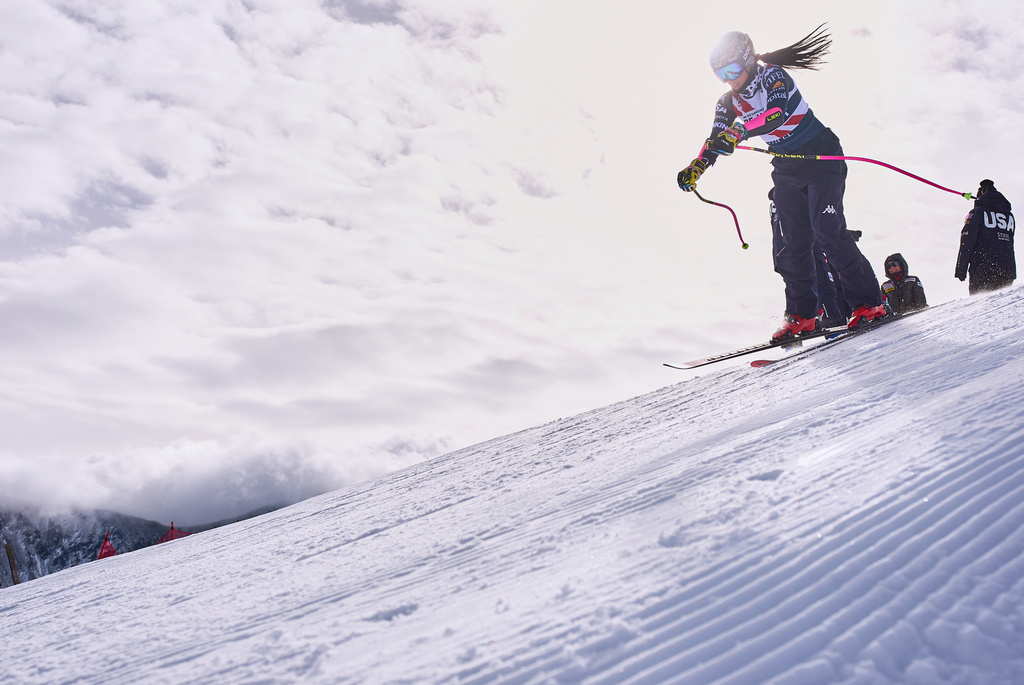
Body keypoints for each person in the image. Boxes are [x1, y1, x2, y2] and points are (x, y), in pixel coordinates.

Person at [678, 26, 887, 342]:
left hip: (820, 155)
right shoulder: (727, 103)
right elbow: (715, 138)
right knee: (792, 243)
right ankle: (803, 315)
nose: (729, 79)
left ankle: (870, 303)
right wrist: (697, 166)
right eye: (720, 74)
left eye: (732, 69)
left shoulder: (773, 76)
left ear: (748, 60)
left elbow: (776, 114)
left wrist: (740, 132)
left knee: (826, 230)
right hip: (786, 166)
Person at [955, 179, 1016, 294]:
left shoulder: (977, 212)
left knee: (982, 306)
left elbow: (967, 240)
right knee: (1000, 306)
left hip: (983, 268)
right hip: (1007, 270)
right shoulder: (1010, 216)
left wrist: (961, 268)